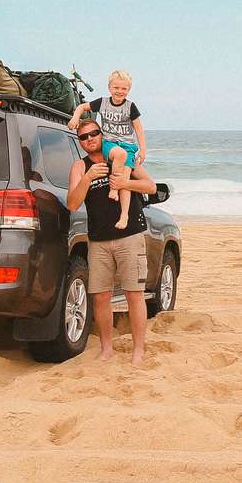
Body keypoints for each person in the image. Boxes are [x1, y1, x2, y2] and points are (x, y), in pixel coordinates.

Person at [67, 120, 158, 364]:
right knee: (100, 296)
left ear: (101, 134)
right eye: (84, 137)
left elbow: (150, 187)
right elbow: (73, 204)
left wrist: (123, 184)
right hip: (98, 240)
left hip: (130, 236)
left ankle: (139, 349)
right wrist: (87, 179)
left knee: (134, 294)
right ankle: (107, 349)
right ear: (81, 142)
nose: (90, 139)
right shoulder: (80, 167)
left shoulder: (121, 155)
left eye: (94, 134)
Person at [67, 70, 146, 229]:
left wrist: (142, 149)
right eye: (116, 87)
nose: (120, 91)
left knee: (124, 181)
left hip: (128, 145)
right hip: (111, 143)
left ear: (128, 90)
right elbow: (82, 106)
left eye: (124, 89)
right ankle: (114, 188)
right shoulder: (102, 103)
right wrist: (75, 117)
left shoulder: (130, 106)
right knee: (120, 154)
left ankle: (124, 214)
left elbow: (138, 128)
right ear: (109, 88)